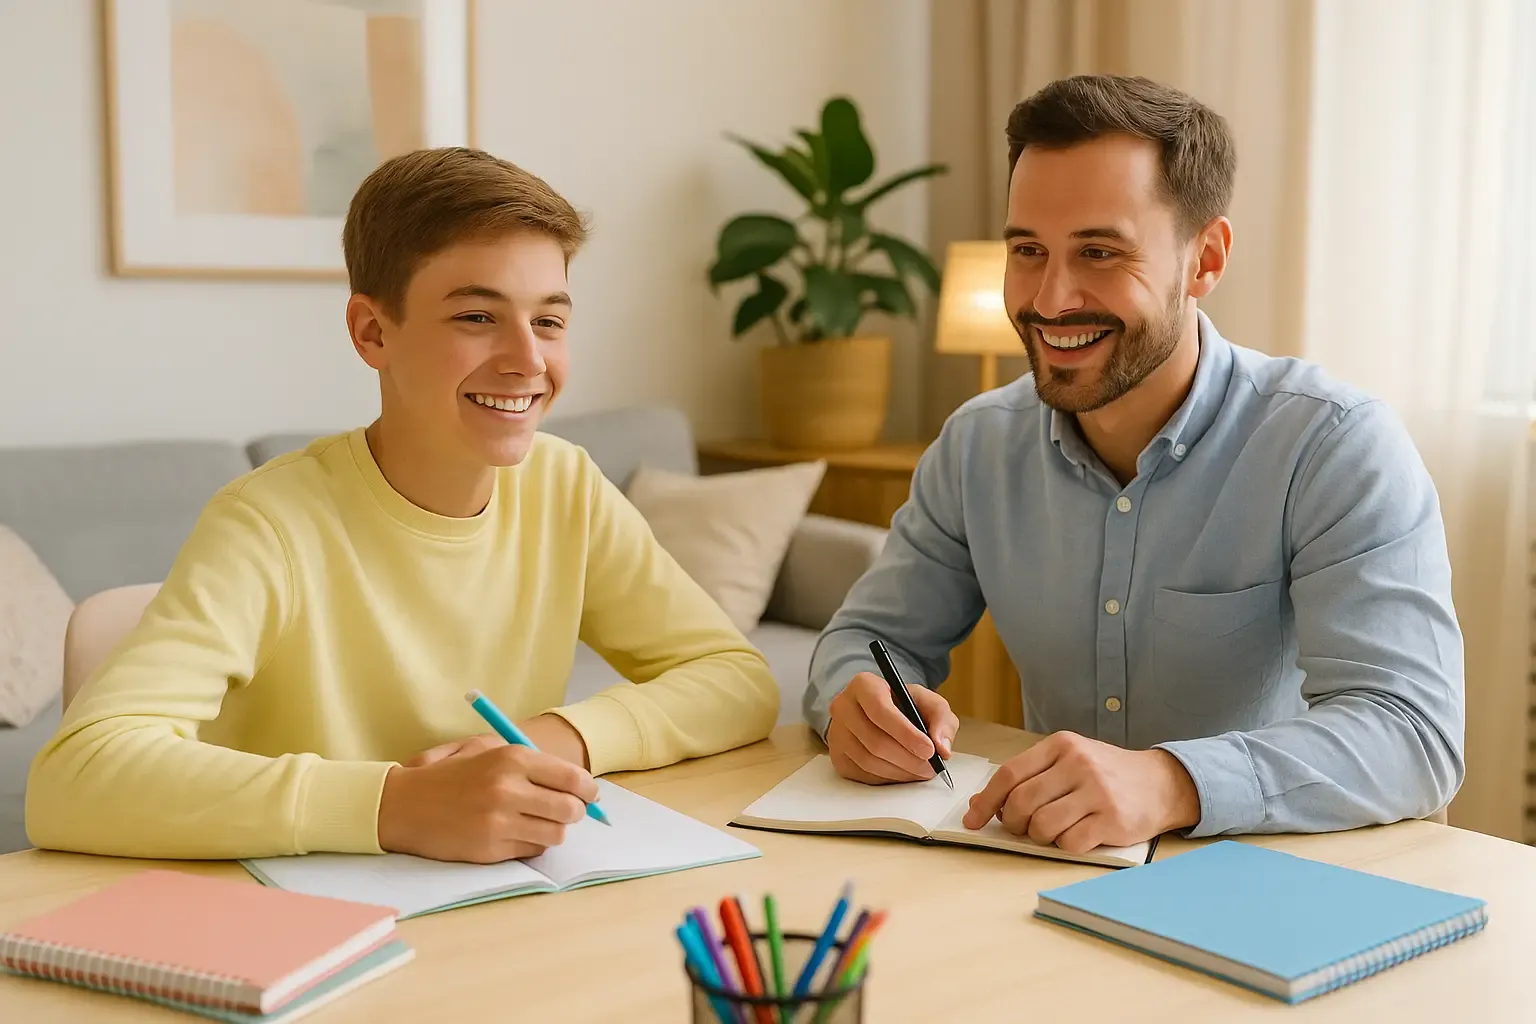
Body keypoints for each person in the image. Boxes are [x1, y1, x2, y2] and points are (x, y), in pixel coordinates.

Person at [27, 147, 779, 864]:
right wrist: (397, 805)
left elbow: (736, 680)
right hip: (297, 921)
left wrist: (547, 741)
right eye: (477, 317)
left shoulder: (565, 486)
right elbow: (75, 778)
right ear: (372, 332)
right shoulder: (270, 522)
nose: (528, 359)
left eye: (549, 320)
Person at [804, 74, 1464, 854]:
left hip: (1283, 877)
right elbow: (867, 639)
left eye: (1099, 252)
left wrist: (1170, 782)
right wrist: (859, 699)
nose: (1050, 299)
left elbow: (1412, 734)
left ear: (1205, 260)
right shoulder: (978, 445)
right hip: (1058, 874)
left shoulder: (1334, 445)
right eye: (1028, 251)